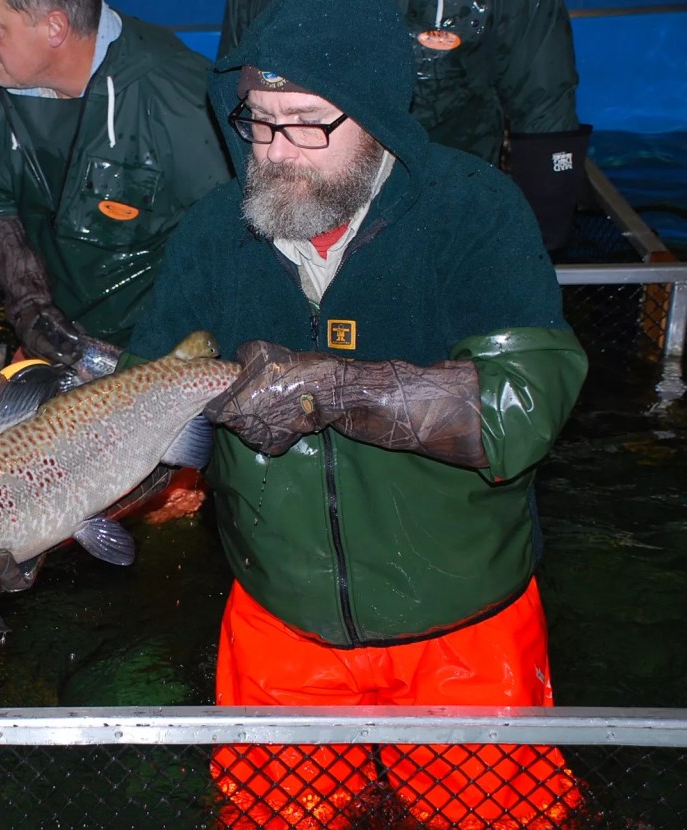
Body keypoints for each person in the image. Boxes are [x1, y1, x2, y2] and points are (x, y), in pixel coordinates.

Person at [125, 0, 589, 826]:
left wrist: (335, 388)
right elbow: (140, 411)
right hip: (281, 620)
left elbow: (522, 411)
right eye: (259, 123)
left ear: (375, 116)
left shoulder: (472, 211)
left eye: (307, 124)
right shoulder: (210, 234)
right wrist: (44, 513)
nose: (273, 152)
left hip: (463, 622)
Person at [0, 0, 231, 365]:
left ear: (54, 29)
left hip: (159, 354)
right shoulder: (13, 74)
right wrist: (31, 306)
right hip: (58, 336)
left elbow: (237, 243)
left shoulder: (182, 103)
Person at [218, 0, 591, 254]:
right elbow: (237, 87)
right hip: (308, 192)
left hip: (449, 198)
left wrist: (540, 243)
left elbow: (545, 104)